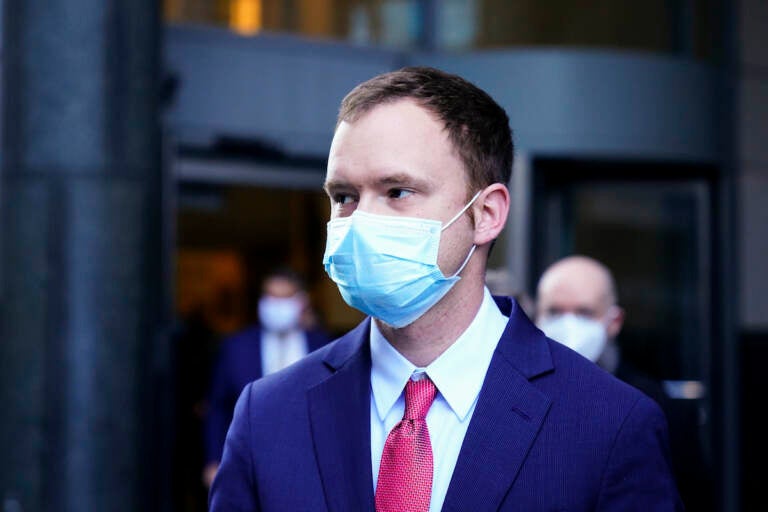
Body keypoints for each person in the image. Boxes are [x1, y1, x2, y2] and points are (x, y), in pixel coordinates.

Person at [210, 66, 682, 511]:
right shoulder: (268, 414)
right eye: (344, 197)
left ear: (487, 214)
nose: (361, 223)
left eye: (397, 192)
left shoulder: (609, 423)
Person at [535, 255, 709, 510]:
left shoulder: (652, 406)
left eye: (584, 313)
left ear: (614, 321)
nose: (568, 324)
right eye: (554, 311)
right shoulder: (515, 392)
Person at [202, 268, 330, 488]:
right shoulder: (237, 347)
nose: (276, 305)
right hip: (248, 463)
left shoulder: (324, 345)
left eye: (284, 297)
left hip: (310, 465)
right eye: (270, 296)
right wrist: (214, 460)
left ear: (302, 301)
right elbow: (218, 406)